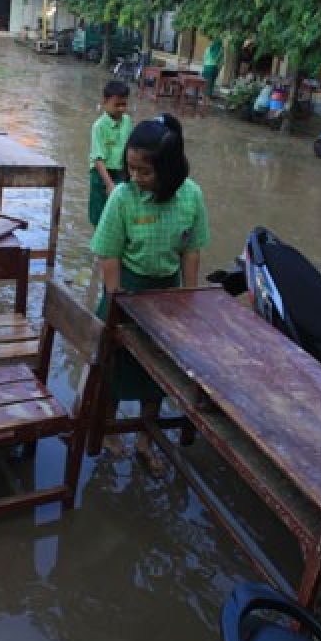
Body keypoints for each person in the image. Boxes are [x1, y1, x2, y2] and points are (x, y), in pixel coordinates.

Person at [91, 113, 210, 477]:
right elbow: (108, 253)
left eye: (146, 172)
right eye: (131, 169)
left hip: (166, 295)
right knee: (112, 367)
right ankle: (109, 431)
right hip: (126, 289)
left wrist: (188, 300)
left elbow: (191, 252)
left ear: (170, 170)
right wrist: (116, 299)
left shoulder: (191, 196)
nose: (136, 178)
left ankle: (145, 438)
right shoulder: (124, 198)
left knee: (156, 374)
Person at [89, 80, 132, 227]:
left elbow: (130, 148)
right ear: (105, 102)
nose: (121, 109)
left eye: (124, 104)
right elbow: (98, 159)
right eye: (117, 105)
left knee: (119, 215)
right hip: (101, 175)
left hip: (121, 173)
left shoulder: (127, 121)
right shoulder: (99, 126)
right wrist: (108, 184)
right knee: (99, 216)